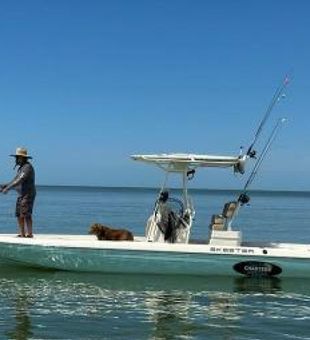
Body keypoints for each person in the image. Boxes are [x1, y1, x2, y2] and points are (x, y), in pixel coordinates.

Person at [0, 147, 36, 238]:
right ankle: (22, 233)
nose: (16, 159)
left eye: (18, 157)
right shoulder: (21, 168)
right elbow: (14, 180)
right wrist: (5, 186)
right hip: (21, 194)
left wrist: (7, 189)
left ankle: (30, 233)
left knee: (26, 213)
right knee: (19, 213)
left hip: (28, 194)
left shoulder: (27, 167)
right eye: (16, 157)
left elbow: (20, 180)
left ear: (23, 158)